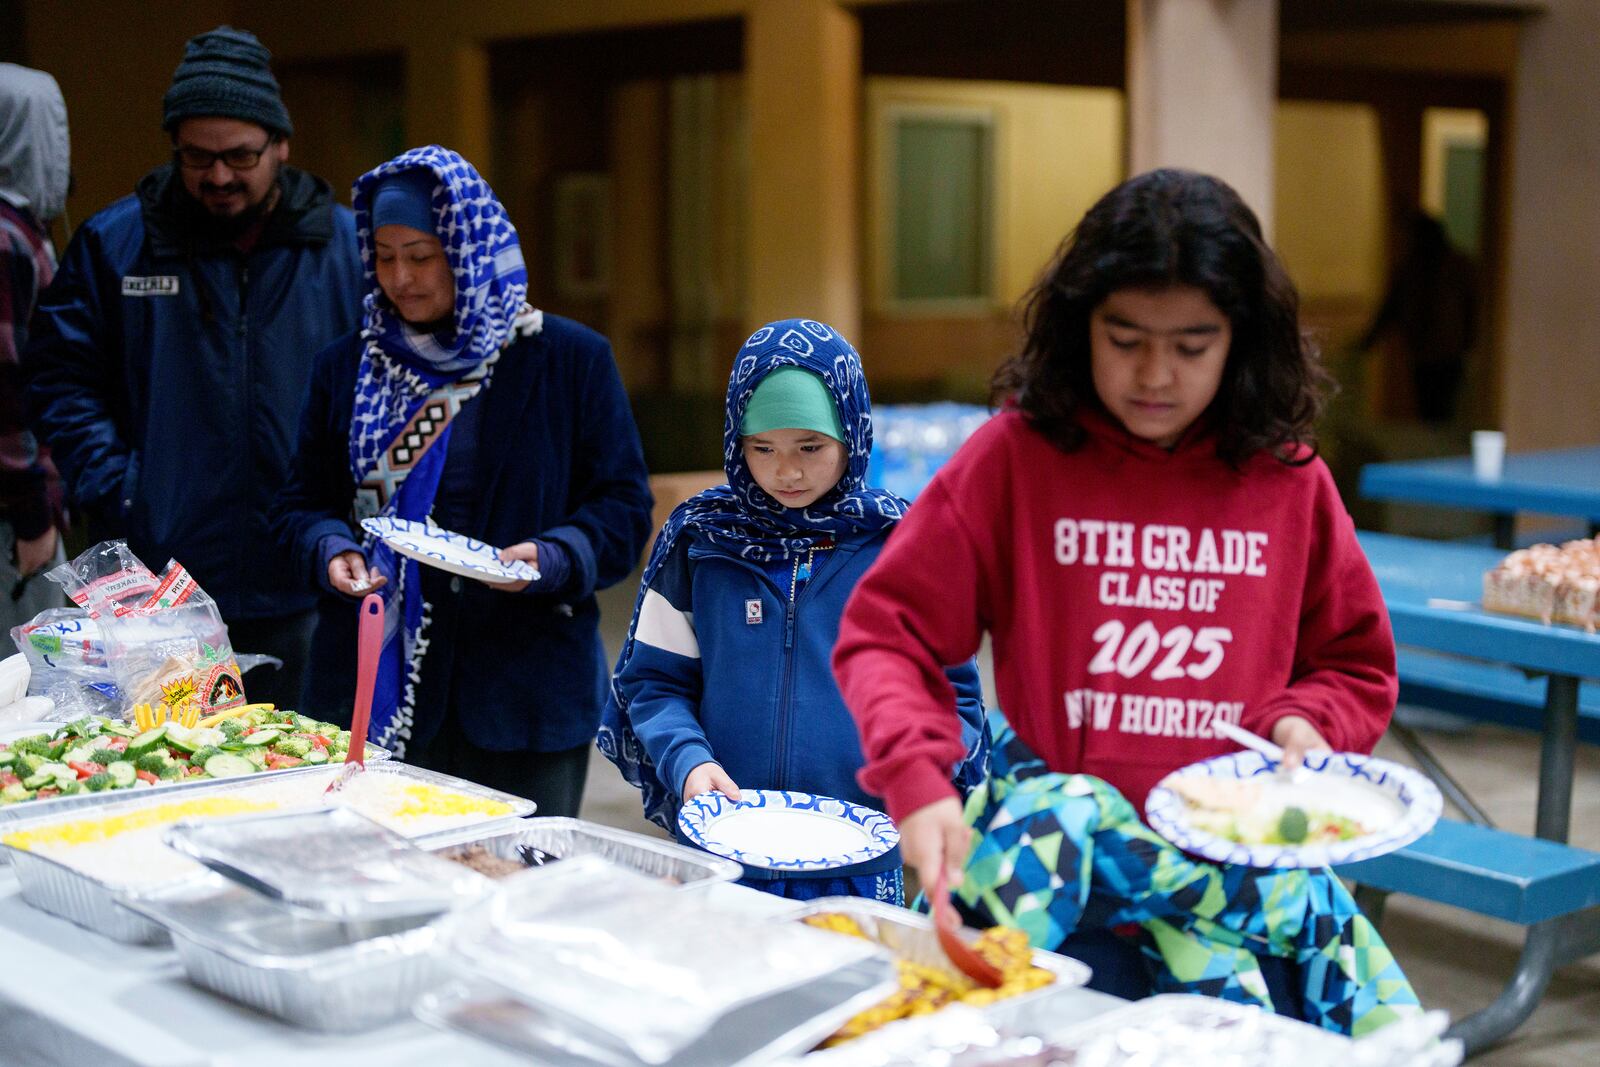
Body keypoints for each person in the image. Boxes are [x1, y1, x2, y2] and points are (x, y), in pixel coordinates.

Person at [833, 170, 1419, 1033]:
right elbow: (888, 633)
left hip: (1238, 887)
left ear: (1240, 339)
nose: (1155, 374)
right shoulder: (1016, 461)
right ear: (1080, 327)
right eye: (1125, 338)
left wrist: (1310, 720)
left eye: (1192, 345)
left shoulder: (1288, 483)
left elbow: (1353, 660)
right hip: (1054, 877)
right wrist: (917, 778)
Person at [272, 145, 652, 818]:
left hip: (522, 698)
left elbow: (622, 509)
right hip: (368, 687)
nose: (400, 277)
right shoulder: (347, 368)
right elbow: (301, 504)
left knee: (516, 888)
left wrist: (557, 556)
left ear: (468, 249)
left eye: (420, 255)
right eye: (384, 256)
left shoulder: (566, 361)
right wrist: (333, 549)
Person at [23, 27, 362, 707]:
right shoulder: (117, 245)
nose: (218, 175)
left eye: (240, 154)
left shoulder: (344, 247)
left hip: (305, 575)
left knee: (299, 775)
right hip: (156, 589)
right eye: (197, 156)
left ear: (281, 145)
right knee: (172, 770)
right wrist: (123, 487)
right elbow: (59, 377)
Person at [599, 320, 988, 904]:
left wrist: (920, 779)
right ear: (736, 442)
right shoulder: (701, 543)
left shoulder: (901, 548)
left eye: (811, 447)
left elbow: (953, 698)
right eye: (763, 448)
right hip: (723, 854)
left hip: (859, 859)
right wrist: (686, 759)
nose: (787, 471)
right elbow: (651, 681)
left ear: (851, 436)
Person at [0, 63, 70, 628]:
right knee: (24, 691)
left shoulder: (20, 231)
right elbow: (5, 385)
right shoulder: (5, 239)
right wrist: (32, 514)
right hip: (11, 516)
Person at [1359, 211, 1477, 424]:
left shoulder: (1456, 266)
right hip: (1424, 351)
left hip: (1449, 350)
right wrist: (1367, 341)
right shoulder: (1411, 268)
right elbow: (1391, 307)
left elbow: (1472, 306)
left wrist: (1470, 341)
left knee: (1442, 411)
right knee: (1429, 410)